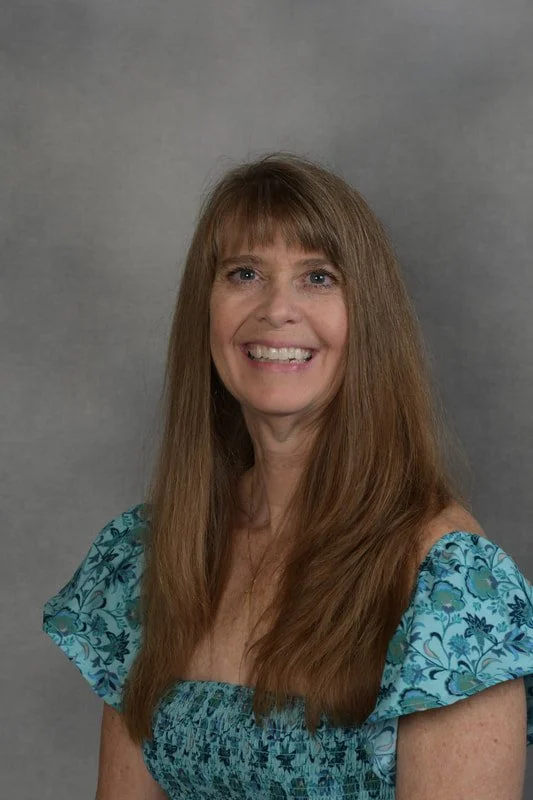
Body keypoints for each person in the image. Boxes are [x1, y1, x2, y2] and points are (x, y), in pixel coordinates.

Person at [43, 152, 533, 800]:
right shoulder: (151, 556)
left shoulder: (449, 587)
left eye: (318, 277)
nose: (277, 309)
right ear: (206, 309)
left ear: (369, 319)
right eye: (243, 273)